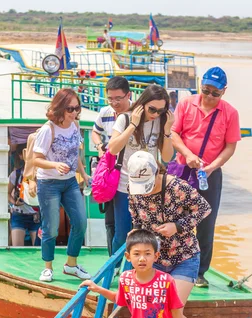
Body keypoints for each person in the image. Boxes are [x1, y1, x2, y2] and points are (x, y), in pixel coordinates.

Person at [127, 151, 211, 318]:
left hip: (184, 257)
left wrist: (177, 226)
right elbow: (136, 219)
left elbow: (204, 209)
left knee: (173, 309)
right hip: (155, 260)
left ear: (157, 172)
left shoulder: (178, 187)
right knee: (154, 313)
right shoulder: (133, 189)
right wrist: (136, 235)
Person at [170, 66, 240, 288]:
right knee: (174, 216)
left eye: (215, 94)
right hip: (182, 168)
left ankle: (199, 272)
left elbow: (230, 147)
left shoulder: (230, 113)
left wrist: (211, 167)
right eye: (206, 90)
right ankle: (172, 263)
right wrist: (188, 154)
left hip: (210, 174)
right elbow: (174, 134)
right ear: (201, 84)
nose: (209, 97)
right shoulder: (185, 104)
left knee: (206, 222)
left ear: (224, 92)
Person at [107, 85, 175, 269]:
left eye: (161, 111)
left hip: (149, 187)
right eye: (152, 109)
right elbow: (113, 148)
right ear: (142, 104)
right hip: (125, 185)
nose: (155, 114)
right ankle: (115, 271)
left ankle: (138, 273)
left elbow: (167, 157)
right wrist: (133, 125)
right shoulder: (125, 118)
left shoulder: (160, 123)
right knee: (123, 234)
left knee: (146, 234)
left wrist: (167, 130)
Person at [33, 88, 91, 282]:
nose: (74, 112)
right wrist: (54, 164)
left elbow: (75, 154)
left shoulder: (74, 125)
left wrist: (83, 173)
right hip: (48, 183)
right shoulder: (47, 129)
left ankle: (71, 265)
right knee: (51, 227)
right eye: (70, 108)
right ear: (59, 108)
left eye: (77, 108)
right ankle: (48, 267)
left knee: (81, 222)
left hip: (70, 182)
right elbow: (36, 159)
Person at [91, 76, 132, 256]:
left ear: (128, 95)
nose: (114, 103)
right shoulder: (105, 112)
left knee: (130, 224)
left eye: (118, 98)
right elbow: (95, 131)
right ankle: (113, 262)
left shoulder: (136, 114)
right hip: (109, 173)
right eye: (110, 98)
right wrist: (99, 146)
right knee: (111, 221)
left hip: (128, 174)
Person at [8, 143, 40, 246]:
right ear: (21, 156)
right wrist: (14, 203)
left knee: (39, 249)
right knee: (17, 248)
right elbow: (7, 193)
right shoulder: (15, 174)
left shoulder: (41, 174)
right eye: (26, 153)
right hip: (19, 215)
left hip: (37, 216)